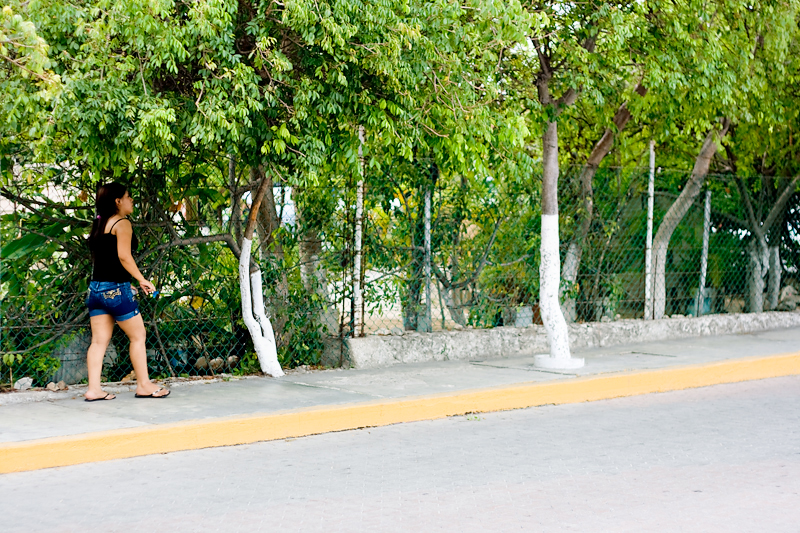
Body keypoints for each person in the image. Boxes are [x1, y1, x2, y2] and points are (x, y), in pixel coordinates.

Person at [84, 182, 170, 401]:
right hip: (115, 290)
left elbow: (105, 260)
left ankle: (94, 389)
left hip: (95, 290)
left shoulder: (100, 223)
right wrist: (141, 280)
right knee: (138, 335)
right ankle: (144, 385)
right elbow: (124, 256)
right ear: (118, 201)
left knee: (98, 341)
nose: (132, 200)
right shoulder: (122, 224)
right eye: (128, 197)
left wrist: (124, 282)